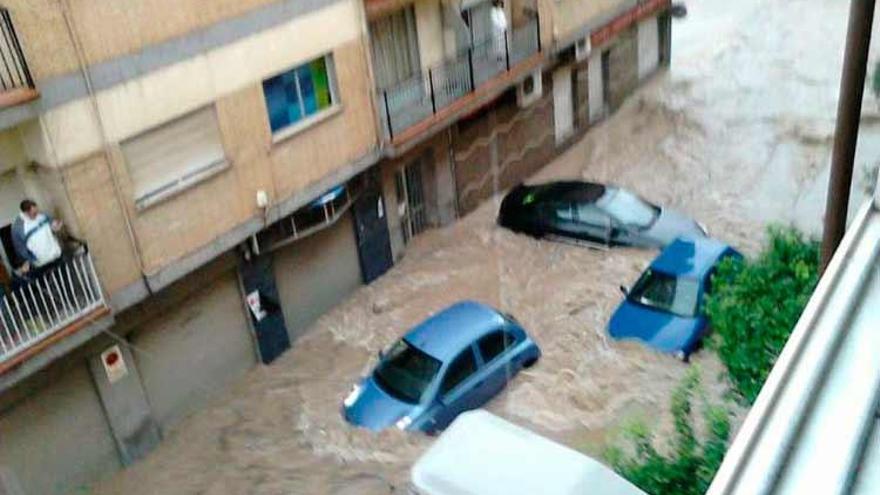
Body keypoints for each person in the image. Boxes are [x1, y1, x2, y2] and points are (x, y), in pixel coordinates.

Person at [11, 199, 63, 280]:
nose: (37, 214)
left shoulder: (42, 216)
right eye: (34, 213)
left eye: (37, 211)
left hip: (56, 256)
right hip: (40, 264)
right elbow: (20, 248)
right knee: (46, 286)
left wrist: (56, 225)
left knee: (64, 281)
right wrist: (31, 260)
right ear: (26, 213)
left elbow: (52, 224)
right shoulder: (17, 228)